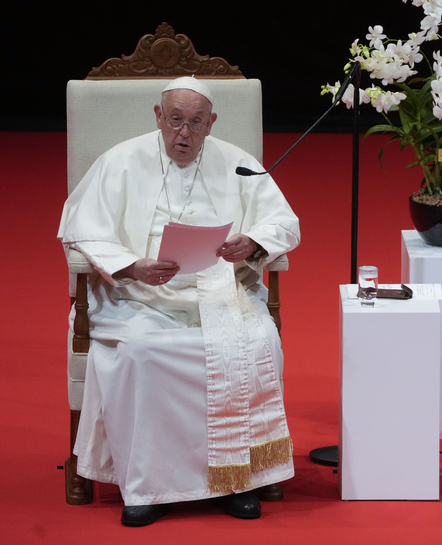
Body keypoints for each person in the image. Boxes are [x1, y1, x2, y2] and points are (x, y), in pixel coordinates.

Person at [58, 76, 300, 526]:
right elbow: (80, 228)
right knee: (142, 353)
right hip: (138, 296)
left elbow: (285, 223)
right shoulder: (121, 162)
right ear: (157, 117)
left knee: (254, 343)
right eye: (174, 121)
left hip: (222, 292)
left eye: (194, 123)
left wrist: (250, 242)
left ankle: (238, 480)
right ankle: (149, 487)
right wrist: (132, 265)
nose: (183, 134)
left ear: (211, 124)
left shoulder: (238, 163)